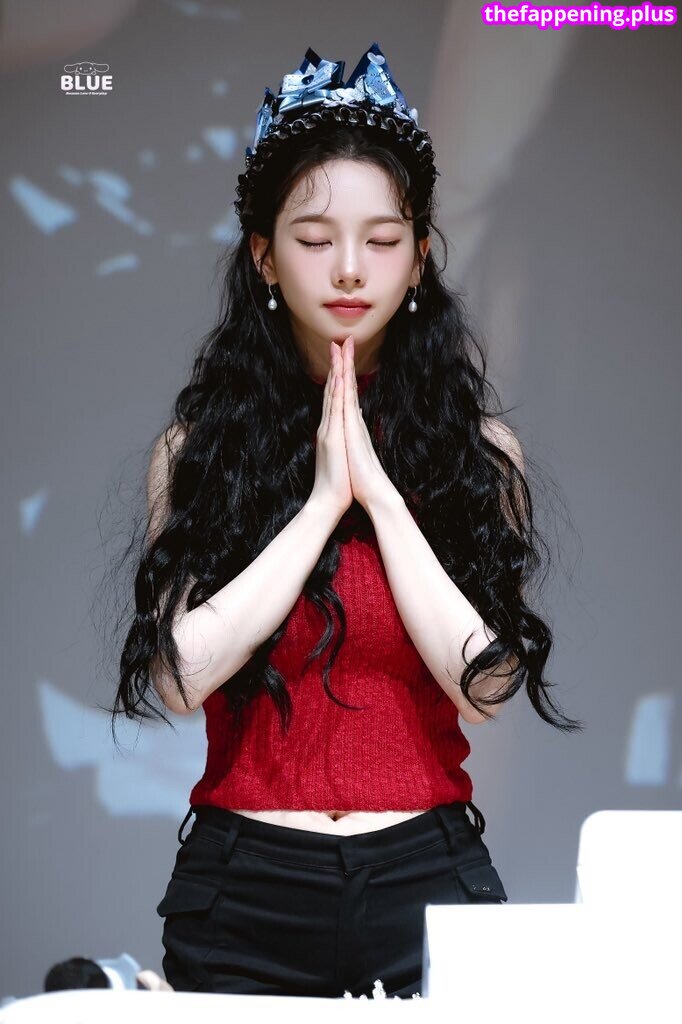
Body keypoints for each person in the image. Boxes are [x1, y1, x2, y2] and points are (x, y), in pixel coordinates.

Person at [110, 41, 583, 998]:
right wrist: (322, 503)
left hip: (426, 877)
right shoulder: (201, 451)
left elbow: (487, 687)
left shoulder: (478, 453)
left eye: (383, 239)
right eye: (316, 239)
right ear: (264, 256)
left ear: (419, 259)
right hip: (246, 885)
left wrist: (383, 497)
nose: (351, 268)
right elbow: (176, 678)